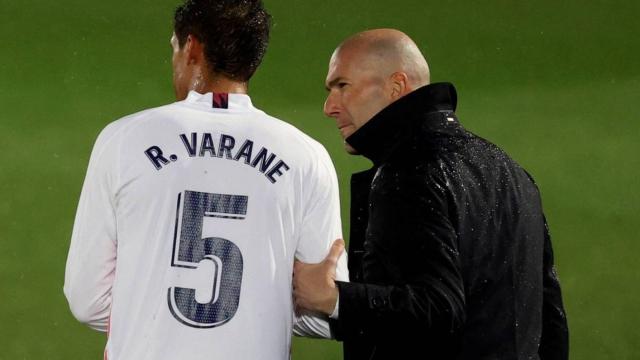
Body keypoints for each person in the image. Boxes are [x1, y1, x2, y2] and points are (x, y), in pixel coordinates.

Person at [63, 1, 347, 359]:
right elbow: (325, 312)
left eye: (174, 49)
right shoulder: (307, 157)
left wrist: (156, 316)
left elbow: (86, 300)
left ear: (192, 48)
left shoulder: (124, 140)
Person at [293, 29, 569, 359]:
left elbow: (439, 309)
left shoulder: (409, 171)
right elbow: (549, 317)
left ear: (396, 87)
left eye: (342, 86)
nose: (329, 107)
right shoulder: (511, 171)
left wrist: (333, 298)